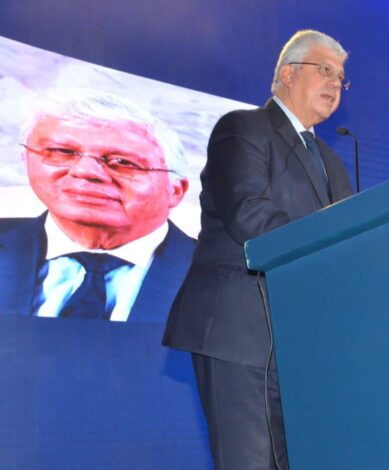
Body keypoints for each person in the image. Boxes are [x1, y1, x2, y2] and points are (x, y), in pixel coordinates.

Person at [163, 30, 353, 469]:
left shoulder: (333, 163)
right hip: (242, 333)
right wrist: (331, 249)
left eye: (340, 77)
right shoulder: (242, 128)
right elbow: (249, 214)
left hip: (303, 344)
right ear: (288, 74)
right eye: (324, 70)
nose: (334, 83)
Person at [0, 89, 195, 322]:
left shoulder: (224, 275)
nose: (86, 171)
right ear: (26, 160)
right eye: (63, 152)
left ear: (175, 190)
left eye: (122, 162)